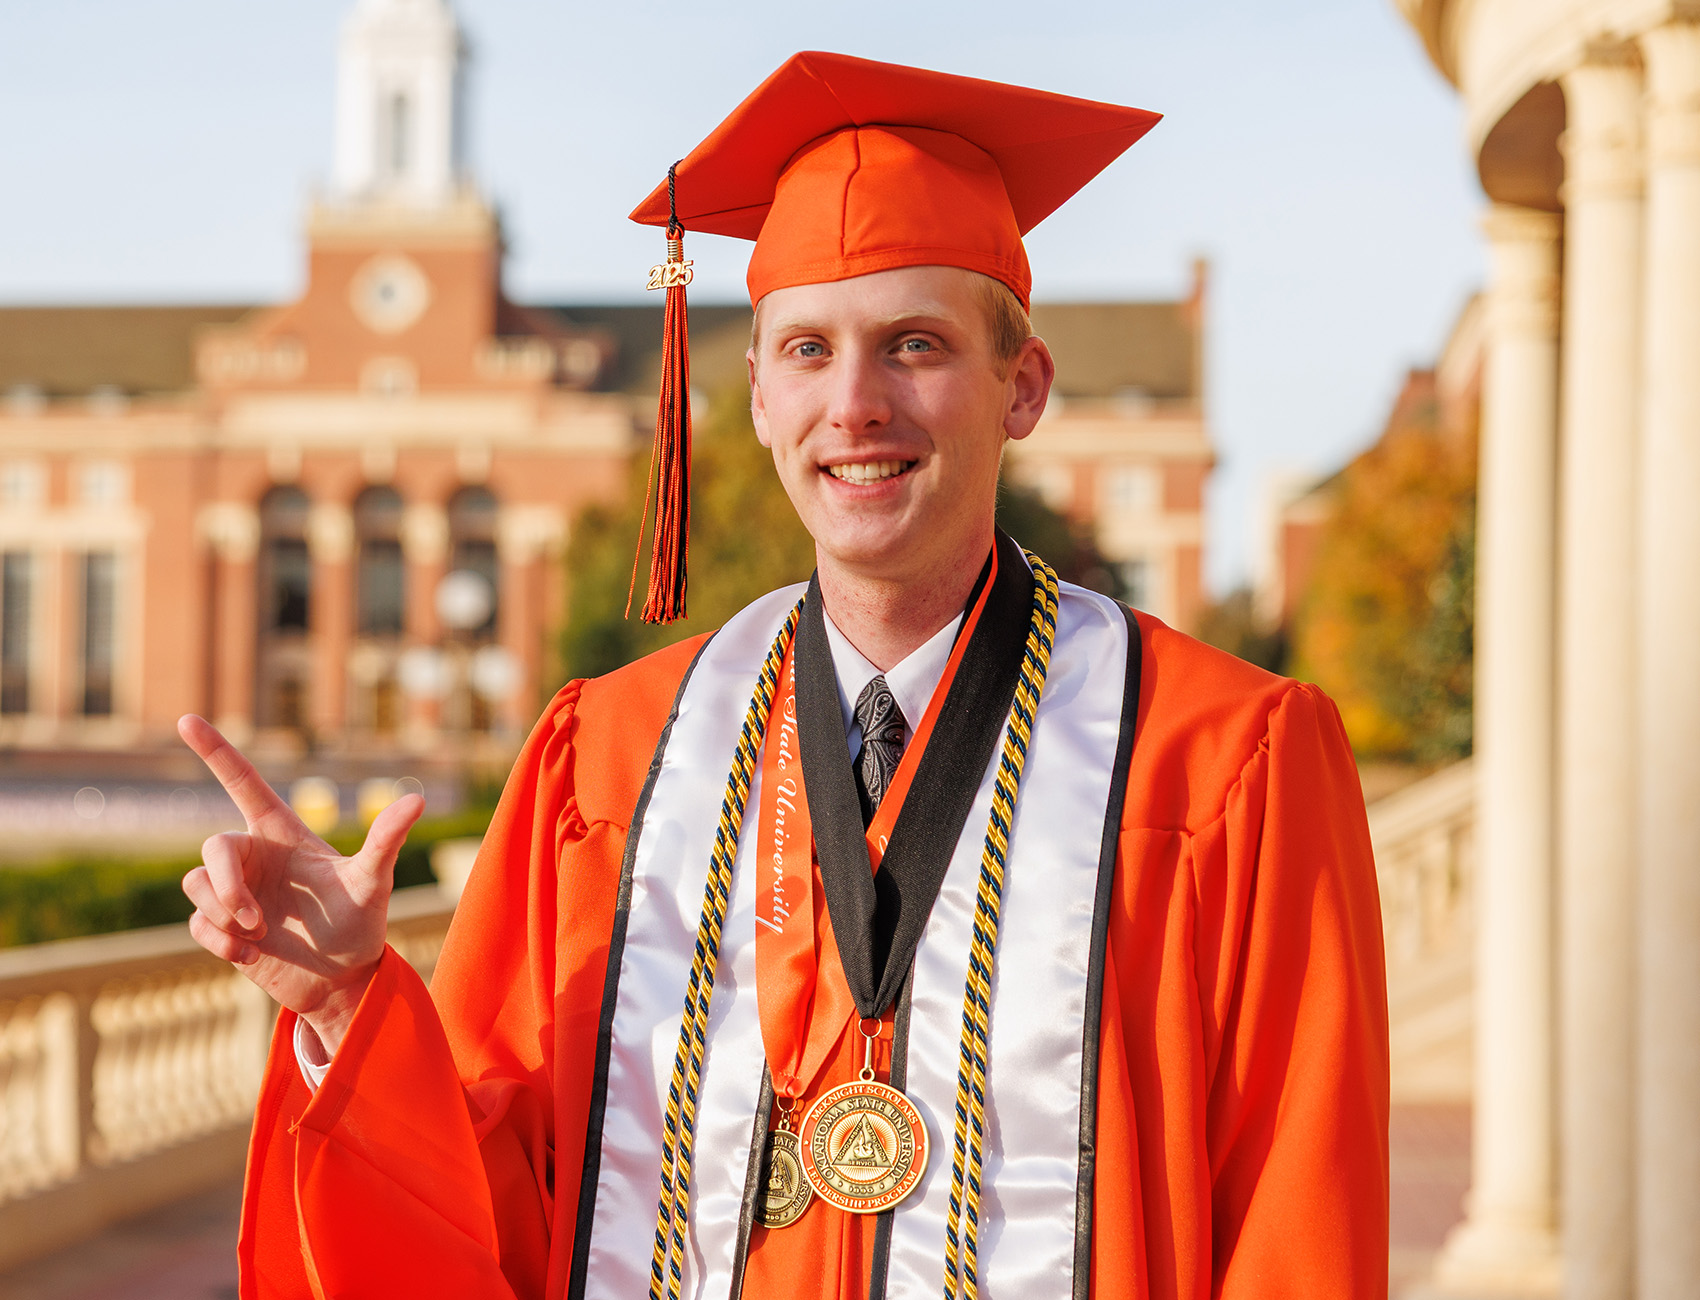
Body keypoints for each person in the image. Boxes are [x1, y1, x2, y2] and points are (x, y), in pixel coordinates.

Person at [179, 52, 1388, 1300]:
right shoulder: (607, 755)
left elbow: (1301, 1221)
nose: (853, 405)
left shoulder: (1223, 756)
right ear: (755, 395)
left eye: (912, 345)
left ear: (1020, 388)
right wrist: (343, 1014)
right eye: (806, 350)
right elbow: (493, 1204)